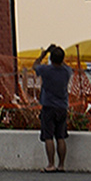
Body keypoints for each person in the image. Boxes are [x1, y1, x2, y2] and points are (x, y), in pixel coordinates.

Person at [33, 44, 72, 172]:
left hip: (49, 106)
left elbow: (35, 66)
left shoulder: (46, 70)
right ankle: (61, 165)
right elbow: (65, 65)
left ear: (51, 58)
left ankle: (51, 164)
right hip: (62, 107)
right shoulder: (66, 72)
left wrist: (44, 53)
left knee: (48, 136)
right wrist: (58, 55)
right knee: (60, 136)